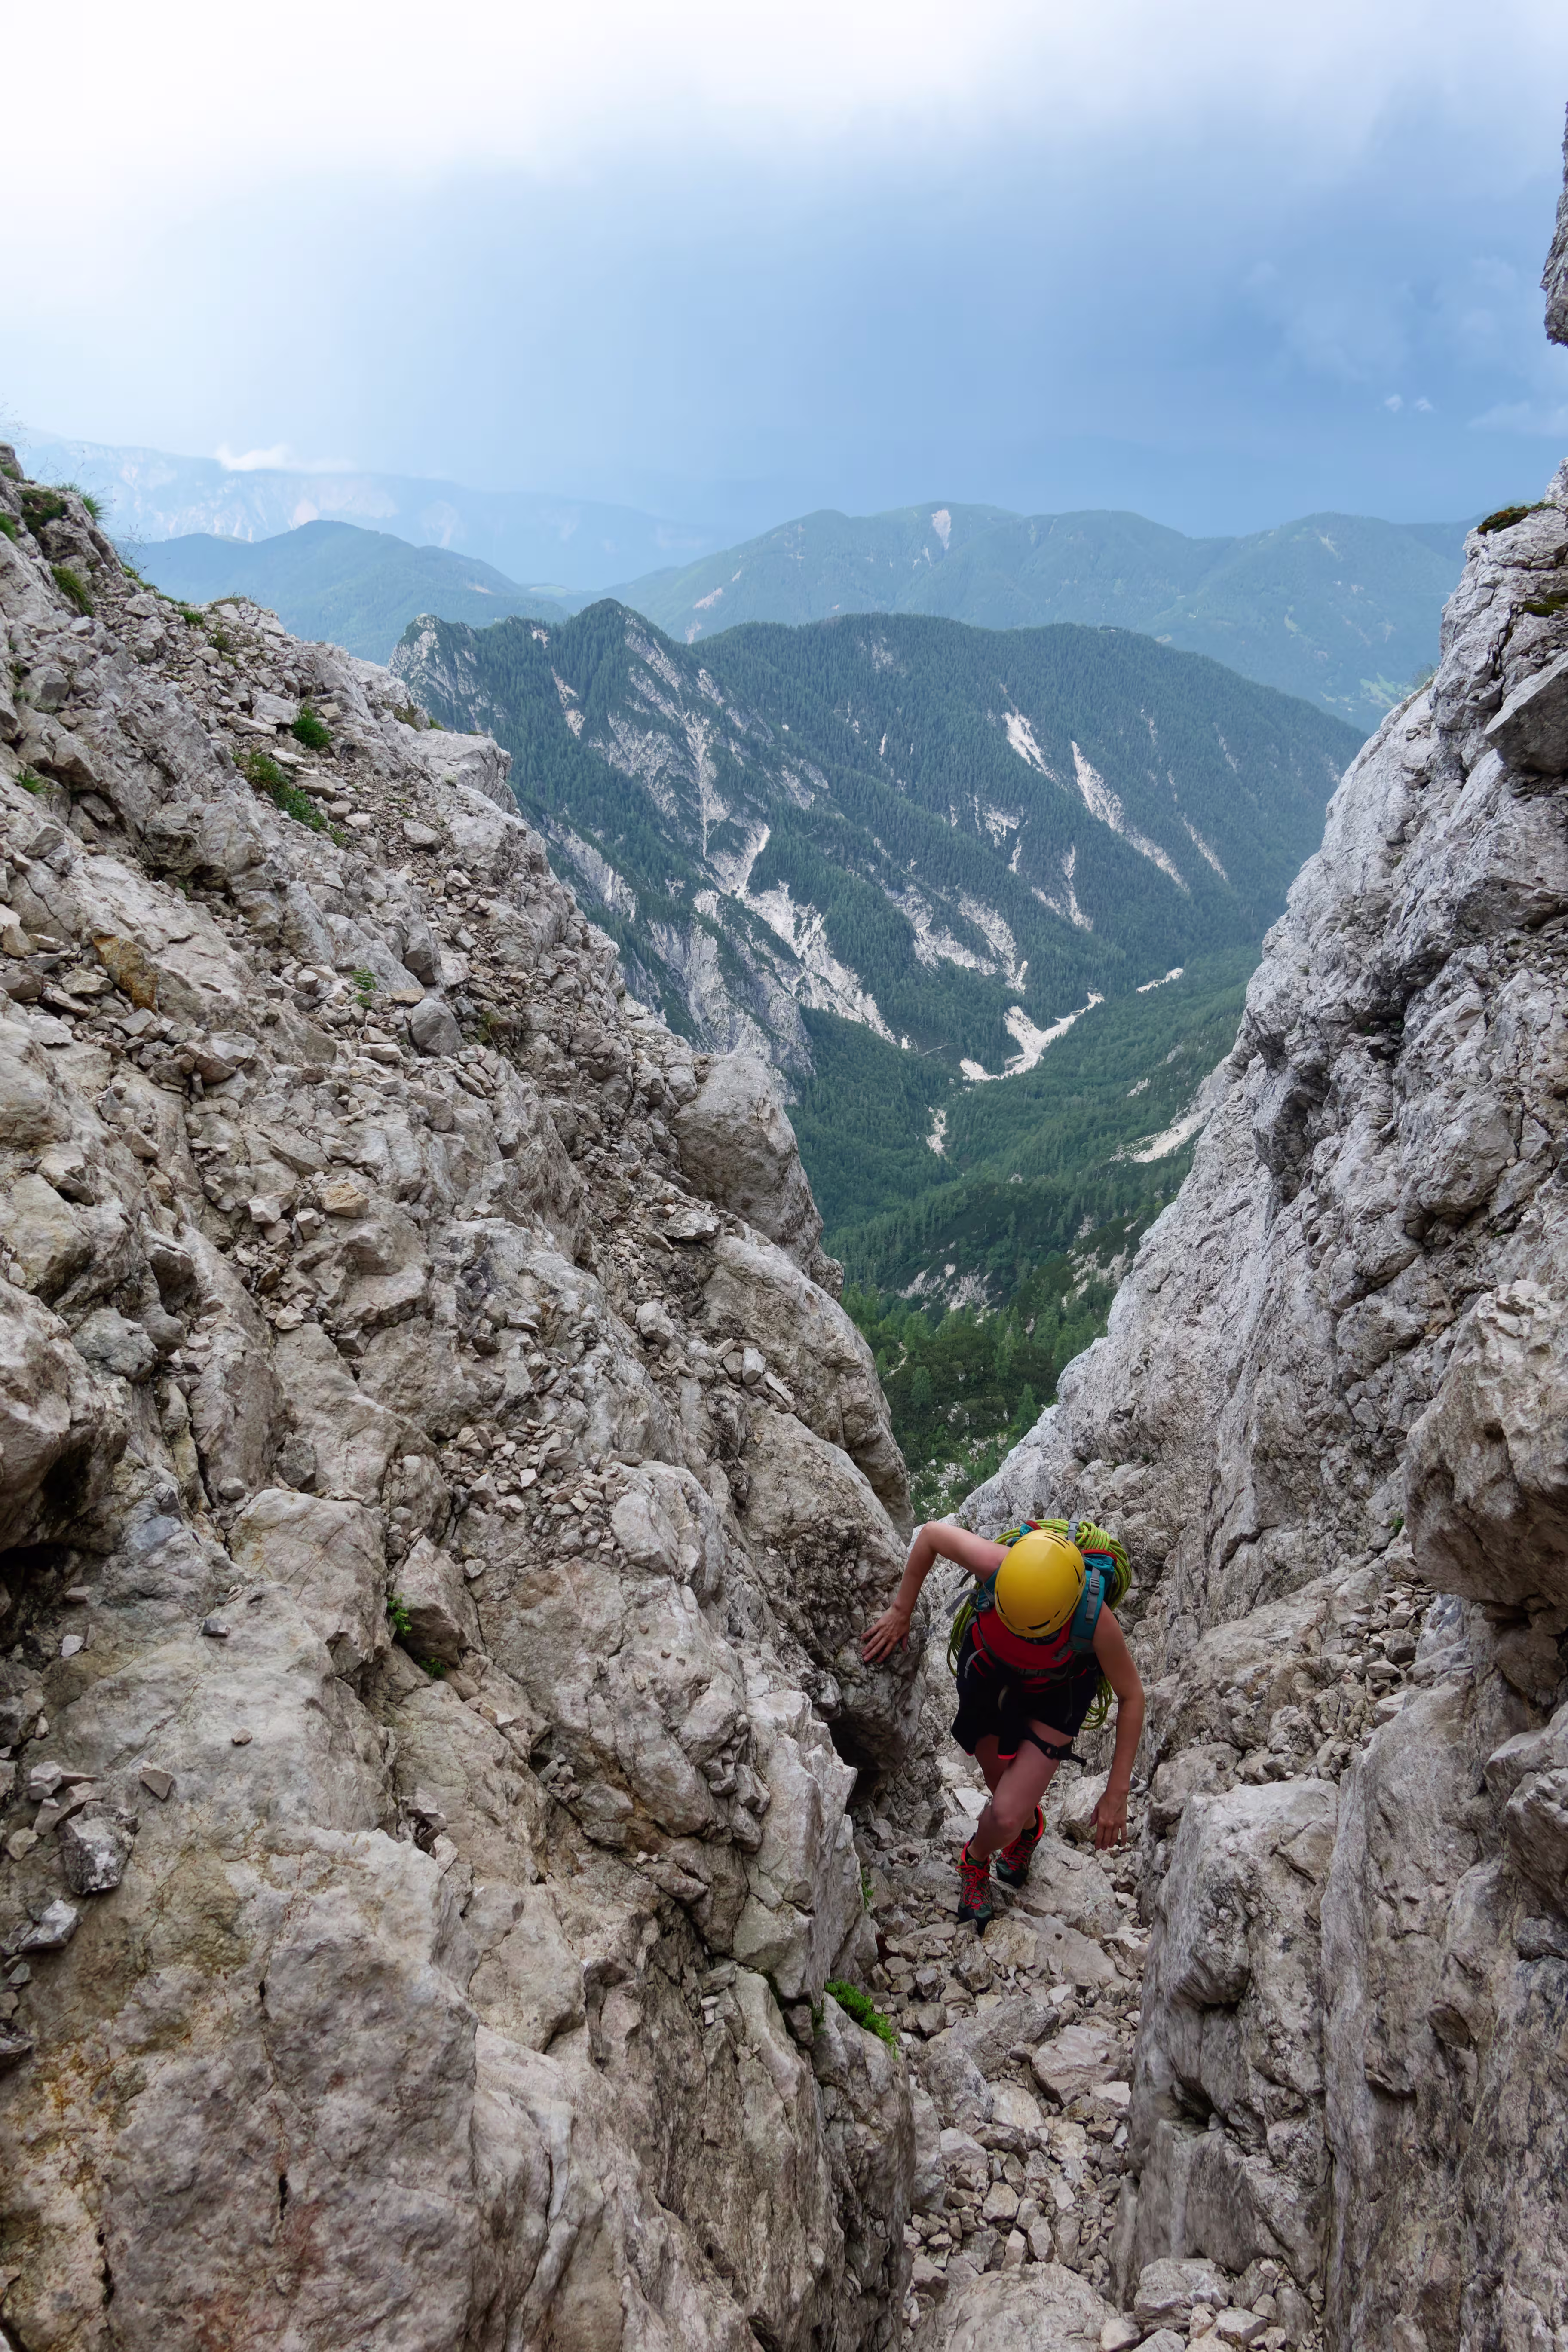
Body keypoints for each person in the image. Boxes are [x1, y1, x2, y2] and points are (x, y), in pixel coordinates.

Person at [862, 1517, 1145, 1925]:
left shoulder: (1095, 1621)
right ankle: (1030, 1829)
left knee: (1004, 1815)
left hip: (1057, 1693)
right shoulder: (999, 1564)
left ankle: (975, 1858)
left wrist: (1117, 1793)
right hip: (991, 1676)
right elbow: (930, 1536)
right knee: (1001, 1788)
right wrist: (901, 1610)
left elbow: (1132, 1696)